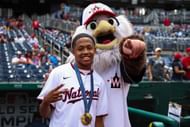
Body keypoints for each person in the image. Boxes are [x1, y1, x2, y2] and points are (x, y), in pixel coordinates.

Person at [37, 26, 108, 127]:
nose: (85, 52)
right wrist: (45, 102)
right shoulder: (58, 73)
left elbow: (99, 119)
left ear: (94, 50)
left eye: (89, 48)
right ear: (73, 51)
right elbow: (44, 114)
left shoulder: (99, 81)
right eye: (80, 49)